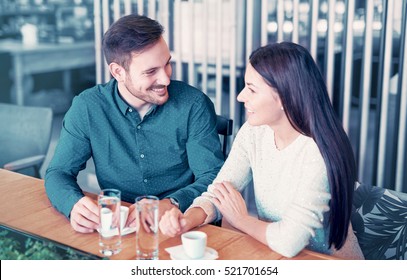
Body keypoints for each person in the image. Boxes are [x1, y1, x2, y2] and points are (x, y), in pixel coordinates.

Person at [159, 42, 364, 259]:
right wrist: (187, 219)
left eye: (252, 89)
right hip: (273, 255)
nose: (240, 96)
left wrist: (241, 220)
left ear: (285, 96)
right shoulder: (254, 132)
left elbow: (289, 241)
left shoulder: (316, 152)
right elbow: (220, 192)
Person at [44, 14, 224, 234]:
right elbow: (58, 172)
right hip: (122, 227)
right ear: (118, 72)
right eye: (151, 72)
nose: (166, 79)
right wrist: (72, 204)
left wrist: (172, 203)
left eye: (167, 64)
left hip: (182, 225)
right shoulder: (88, 107)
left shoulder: (193, 104)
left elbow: (214, 177)